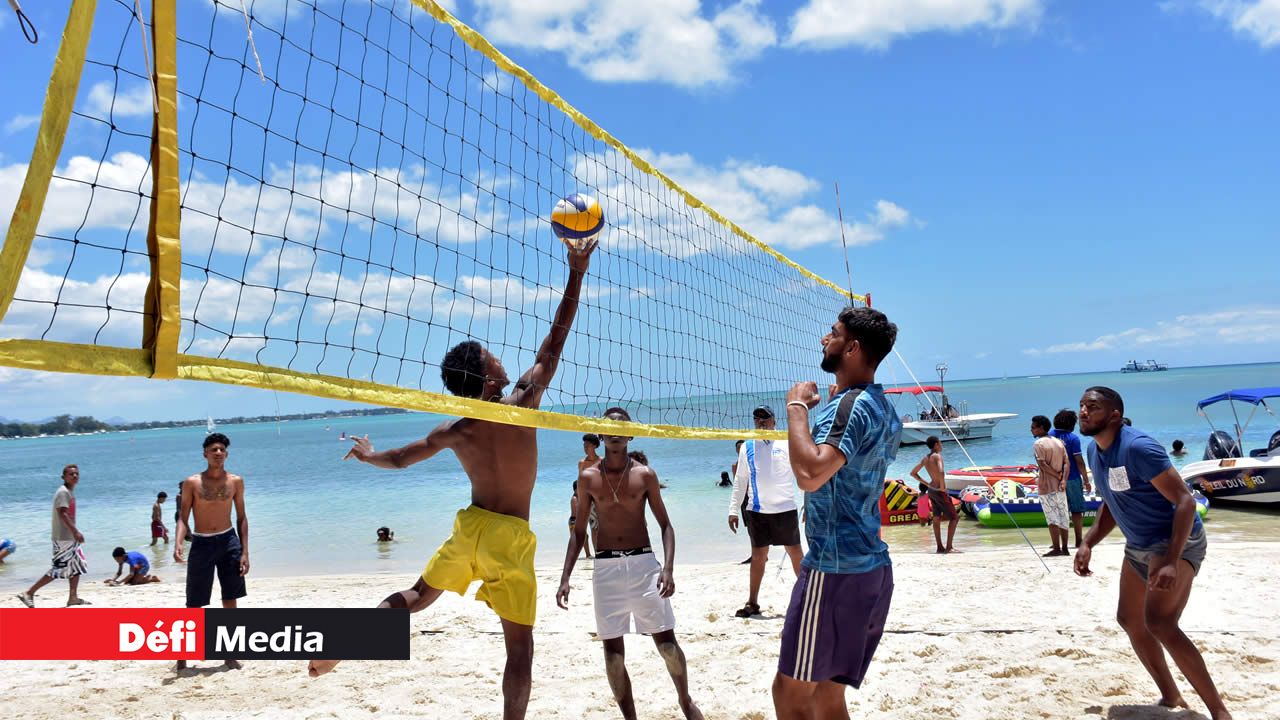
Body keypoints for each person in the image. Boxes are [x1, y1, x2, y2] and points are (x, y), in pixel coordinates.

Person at [311, 239, 596, 720]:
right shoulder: (521, 404)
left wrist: (368, 455)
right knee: (520, 651)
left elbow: (400, 460)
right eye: (492, 357)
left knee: (418, 597)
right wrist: (577, 271)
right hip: (509, 536)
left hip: (471, 526)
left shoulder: (454, 430)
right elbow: (556, 339)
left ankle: (344, 642)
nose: (501, 358)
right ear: (488, 379)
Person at [773, 306, 902, 719]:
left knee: (790, 696)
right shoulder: (882, 407)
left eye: (833, 333)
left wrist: (796, 408)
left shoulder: (852, 407)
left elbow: (810, 473)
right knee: (826, 699)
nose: (823, 339)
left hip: (835, 572)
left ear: (853, 348)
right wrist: (833, 411)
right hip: (870, 567)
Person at [1075, 387, 1231, 720]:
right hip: (1139, 546)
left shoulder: (1137, 448)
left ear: (1114, 415)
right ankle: (1171, 694)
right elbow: (1113, 502)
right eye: (1082, 407)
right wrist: (1089, 542)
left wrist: (1173, 561)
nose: (1084, 412)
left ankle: (1219, 712)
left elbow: (1186, 501)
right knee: (1130, 620)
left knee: (1160, 623)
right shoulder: (1094, 451)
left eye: (1093, 407)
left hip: (1177, 541)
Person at [557, 408, 703, 720]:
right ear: (600, 432)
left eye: (621, 425)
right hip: (606, 568)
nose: (615, 430)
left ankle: (686, 702)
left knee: (666, 646)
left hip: (643, 565)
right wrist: (565, 577)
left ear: (631, 433)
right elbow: (579, 531)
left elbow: (666, 525)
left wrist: (668, 568)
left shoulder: (645, 475)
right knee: (612, 657)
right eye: (609, 424)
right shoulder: (587, 478)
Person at [174, 432, 249, 671]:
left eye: (222, 450)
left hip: (229, 542)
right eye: (213, 449)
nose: (218, 453)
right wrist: (178, 542)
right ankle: (184, 653)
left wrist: (245, 551)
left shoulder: (235, 481)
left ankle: (230, 653)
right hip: (202, 542)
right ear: (205, 454)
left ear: (226, 454)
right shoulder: (192, 483)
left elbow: (242, 517)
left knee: (230, 598)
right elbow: (183, 517)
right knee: (194, 602)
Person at [727, 405, 803, 618]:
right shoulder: (747, 446)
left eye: (765, 418)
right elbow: (740, 481)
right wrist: (733, 509)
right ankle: (752, 602)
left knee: (795, 553)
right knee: (758, 556)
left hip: (786, 508)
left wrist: (810, 501)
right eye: (757, 418)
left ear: (774, 420)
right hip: (758, 511)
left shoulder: (787, 442)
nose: (761, 421)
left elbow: (802, 474)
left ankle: (808, 596)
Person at [16, 465, 90, 608]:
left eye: (76, 474)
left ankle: (73, 598)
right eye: (71, 474)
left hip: (70, 538)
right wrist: (75, 532)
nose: (75, 476)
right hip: (63, 538)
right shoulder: (63, 492)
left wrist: (74, 533)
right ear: (63, 477)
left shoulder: (69, 492)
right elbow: (62, 513)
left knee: (78, 565)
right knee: (58, 569)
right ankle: (29, 593)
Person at [1050, 409, 1093, 549]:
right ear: (1072, 424)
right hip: (1073, 478)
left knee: (1057, 511)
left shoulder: (1048, 436)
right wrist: (1086, 480)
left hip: (1053, 479)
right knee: (1076, 510)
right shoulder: (1073, 438)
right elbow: (1079, 461)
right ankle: (1078, 540)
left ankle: (1059, 543)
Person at [910, 436, 959, 553]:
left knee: (936, 517)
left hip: (932, 490)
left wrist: (928, 484)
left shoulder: (925, 458)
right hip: (939, 491)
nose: (941, 445)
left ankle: (939, 547)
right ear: (936, 444)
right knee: (954, 518)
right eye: (940, 443)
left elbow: (913, 473)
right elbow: (941, 471)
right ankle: (949, 547)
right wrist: (942, 487)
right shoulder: (937, 456)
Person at [1031, 415, 1071, 557]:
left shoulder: (1038, 444)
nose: (1031, 430)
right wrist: (1063, 480)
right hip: (1060, 486)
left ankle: (1056, 548)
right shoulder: (1059, 442)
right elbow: (1067, 463)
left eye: (1033, 427)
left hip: (1047, 485)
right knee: (1063, 516)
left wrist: (1057, 476)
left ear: (1041, 428)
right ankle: (1065, 548)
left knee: (1052, 518)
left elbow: (1042, 465)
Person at [581, 433, 602, 555]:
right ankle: (597, 555)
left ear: (594, 446)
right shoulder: (582, 463)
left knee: (606, 528)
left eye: (587, 445)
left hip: (602, 498)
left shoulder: (602, 461)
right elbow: (580, 483)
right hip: (589, 501)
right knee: (594, 528)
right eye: (584, 445)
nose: (585, 448)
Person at [569, 481, 592, 559]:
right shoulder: (574, 499)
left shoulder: (578, 498)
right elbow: (576, 511)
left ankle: (588, 554)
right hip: (574, 521)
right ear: (576, 489)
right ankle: (586, 555)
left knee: (585, 537)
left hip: (576, 520)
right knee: (579, 539)